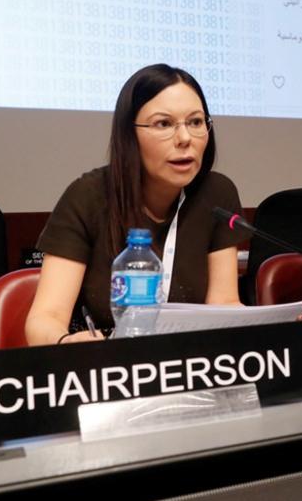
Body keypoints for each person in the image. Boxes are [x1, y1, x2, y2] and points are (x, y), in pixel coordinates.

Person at [25, 64, 248, 345]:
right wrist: (66, 342)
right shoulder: (88, 196)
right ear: (129, 134)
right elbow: (45, 318)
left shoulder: (217, 193)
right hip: (107, 365)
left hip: (188, 363)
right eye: (163, 124)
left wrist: (270, 324)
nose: (185, 139)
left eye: (195, 122)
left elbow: (224, 304)